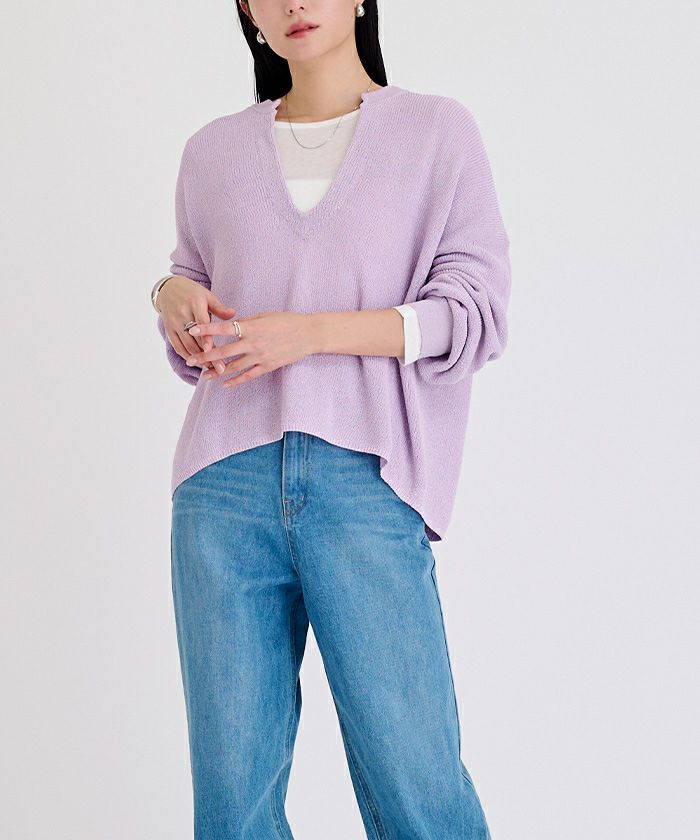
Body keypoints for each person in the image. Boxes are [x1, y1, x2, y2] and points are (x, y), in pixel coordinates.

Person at [151, 2, 511, 837]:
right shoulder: (212, 152)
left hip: (367, 479)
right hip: (222, 486)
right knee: (232, 808)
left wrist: (308, 333)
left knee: (419, 792)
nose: (294, 3)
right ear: (248, 12)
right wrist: (171, 299)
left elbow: (472, 315)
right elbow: (189, 279)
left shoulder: (436, 133)